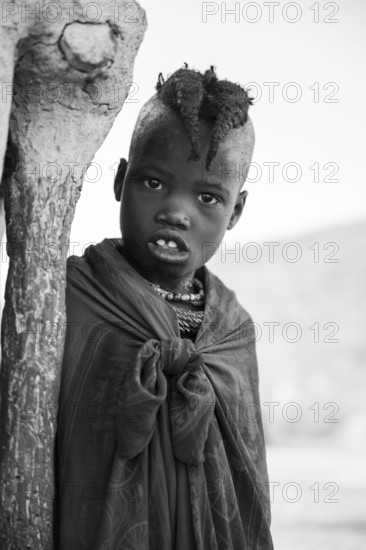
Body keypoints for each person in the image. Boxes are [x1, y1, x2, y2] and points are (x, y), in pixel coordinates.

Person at [56, 65, 273, 550]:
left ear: (235, 211)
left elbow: (248, 481)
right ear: (120, 179)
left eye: (207, 196)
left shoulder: (232, 331)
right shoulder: (70, 296)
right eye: (153, 183)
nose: (177, 211)